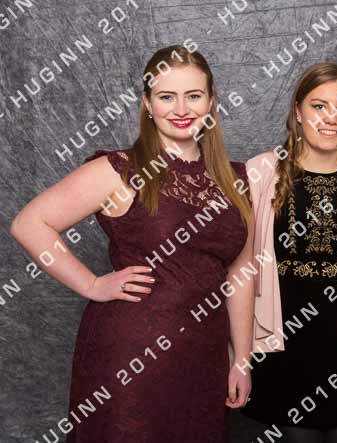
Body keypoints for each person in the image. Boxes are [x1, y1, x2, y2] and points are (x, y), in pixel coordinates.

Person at [10, 45, 254, 442]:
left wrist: (241, 358)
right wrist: (91, 284)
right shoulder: (119, 170)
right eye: (166, 97)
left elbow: (240, 273)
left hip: (205, 355)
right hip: (131, 355)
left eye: (193, 95)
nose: (181, 109)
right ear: (147, 104)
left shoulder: (236, 179)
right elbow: (29, 223)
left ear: (211, 101)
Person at [240, 62, 337, 443]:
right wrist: (238, 356)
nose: (331, 118)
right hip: (282, 348)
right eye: (319, 106)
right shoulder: (261, 172)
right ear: (297, 111)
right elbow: (240, 271)